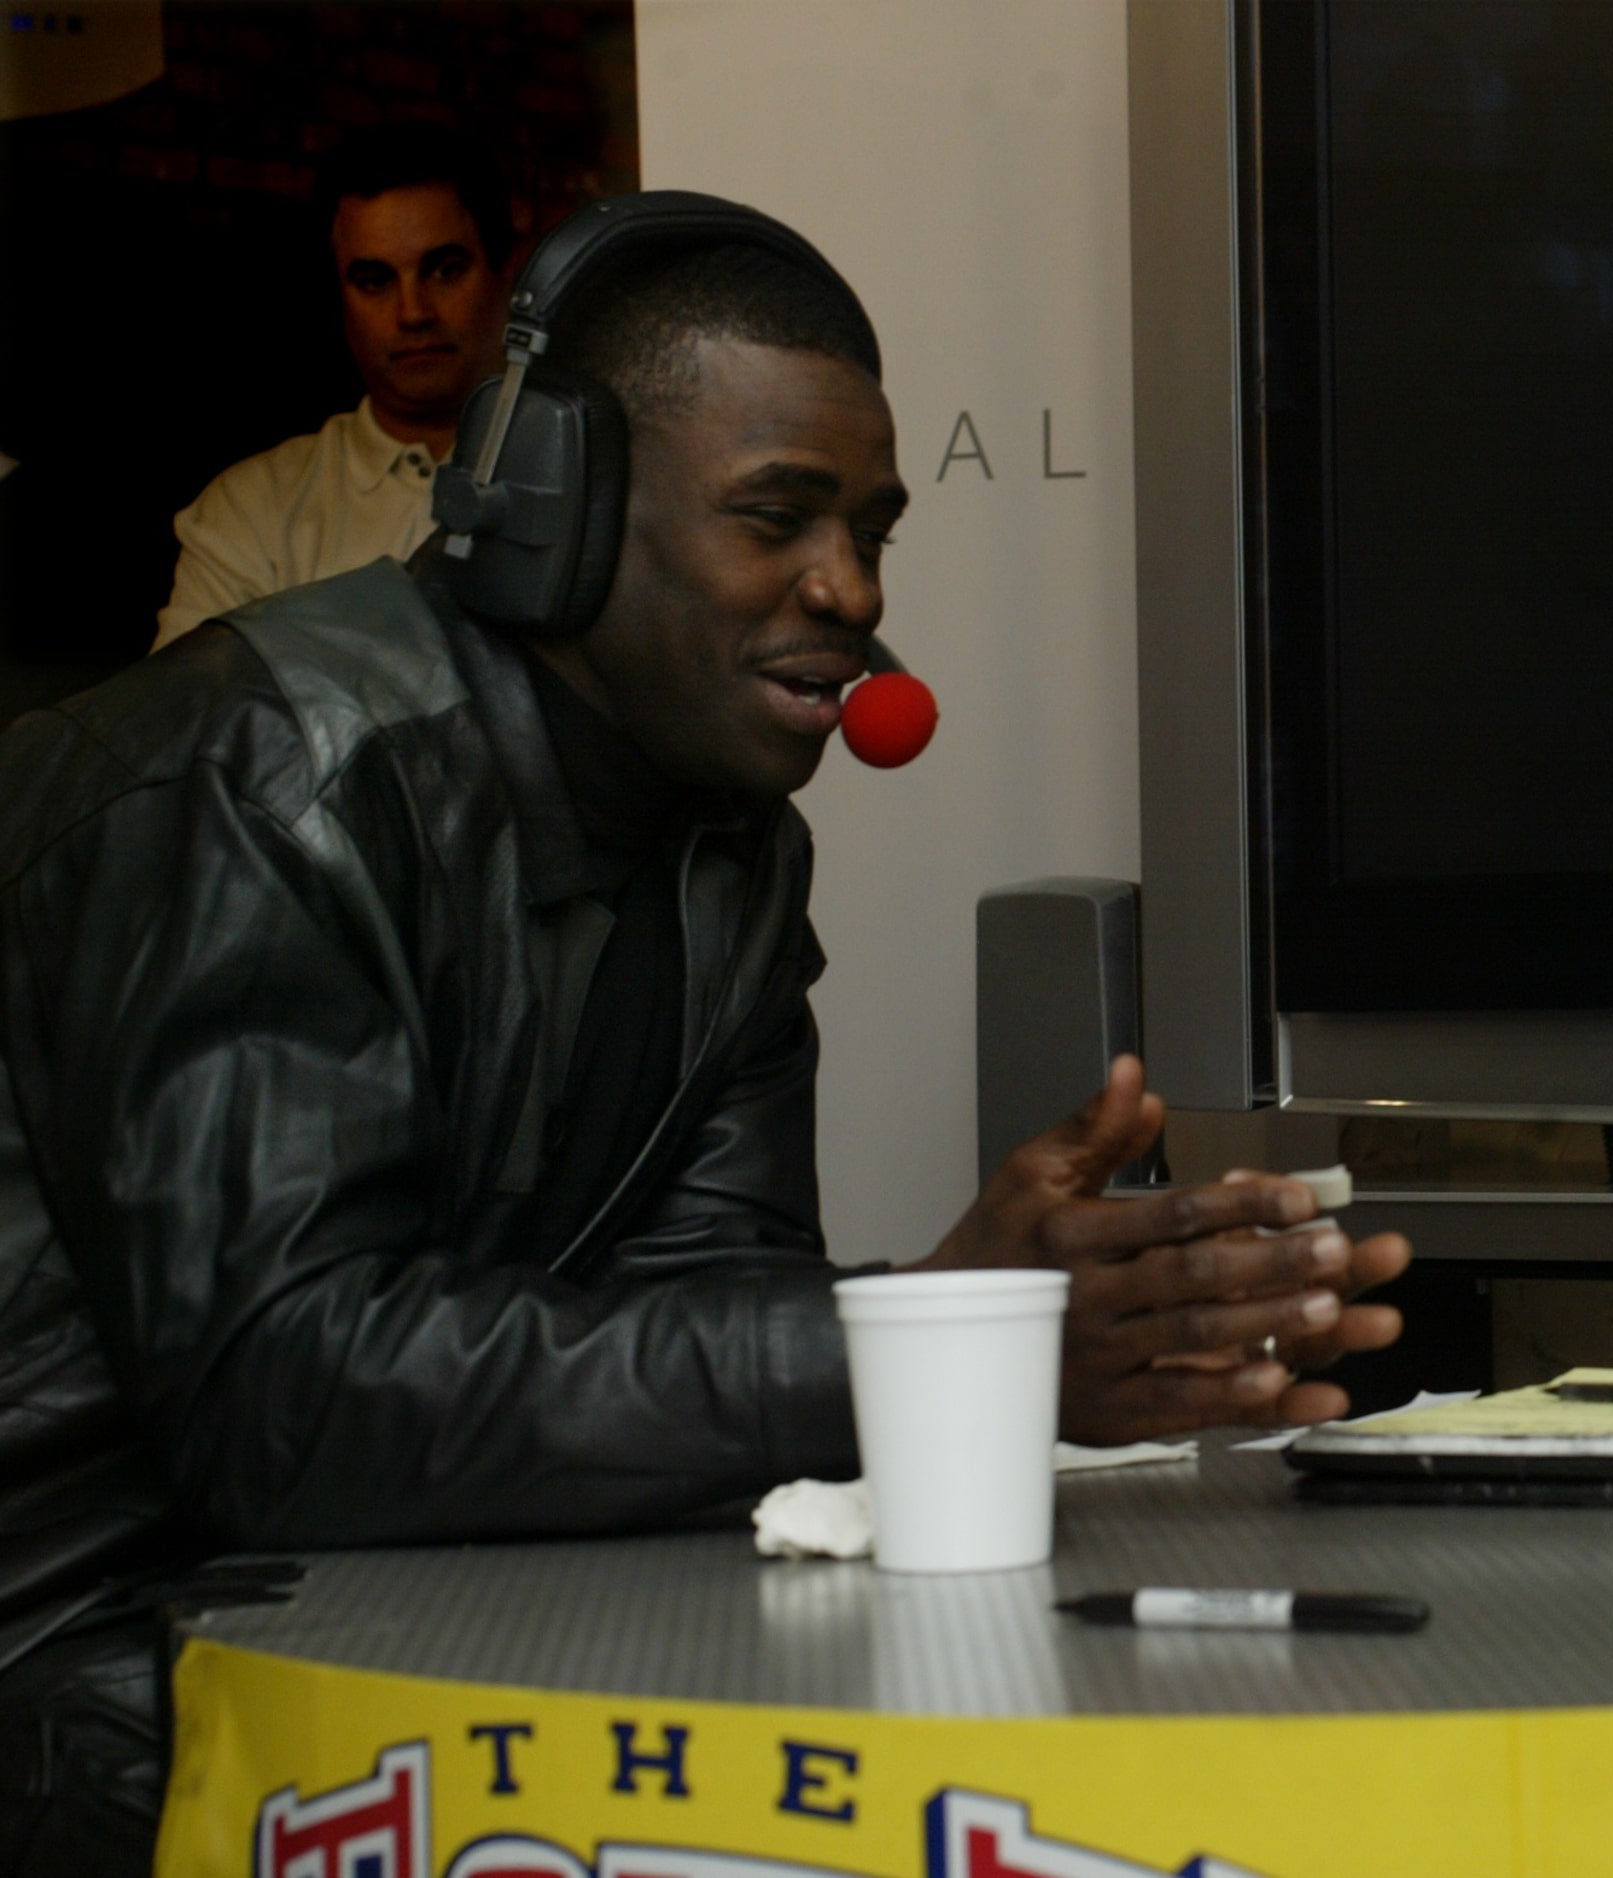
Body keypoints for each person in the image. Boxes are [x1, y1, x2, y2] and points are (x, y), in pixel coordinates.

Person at [0, 196, 1408, 1871]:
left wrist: (941, 1323)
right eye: (776, 518)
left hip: (374, 1589)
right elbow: (281, 1396)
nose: (851, 586)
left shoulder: (731, 853)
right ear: (553, 514)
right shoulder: (263, 778)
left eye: (872, 528)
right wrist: (920, 1340)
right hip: (79, 1639)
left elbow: (699, 1331)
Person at [151, 124, 519, 651]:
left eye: (444, 270)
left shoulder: (585, 476)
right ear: (339, 297)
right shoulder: (254, 510)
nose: (412, 312)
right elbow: (191, 726)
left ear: (506, 272)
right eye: (375, 281)